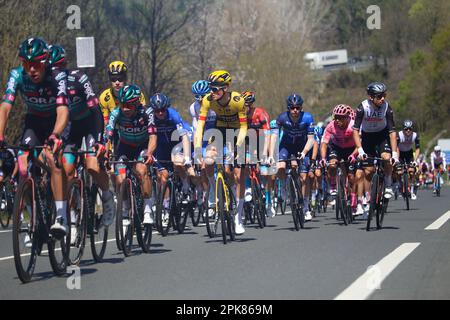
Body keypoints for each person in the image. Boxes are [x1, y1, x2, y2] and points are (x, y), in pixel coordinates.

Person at [0, 37, 70, 238]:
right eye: (27, 64)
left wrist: (55, 135)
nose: (32, 69)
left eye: (37, 64)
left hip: (57, 121)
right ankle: (33, 219)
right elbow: (5, 107)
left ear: (45, 61)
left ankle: (60, 216)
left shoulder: (57, 76)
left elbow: (64, 111)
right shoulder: (17, 75)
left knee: (53, 160)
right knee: (23, 161)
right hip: (34, 121)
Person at [48, 45, 115, 230]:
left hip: (89, 124)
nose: (56, 72)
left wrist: (100, 140)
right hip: (70, 128)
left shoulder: (79, 78)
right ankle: (71, 214)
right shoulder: (46, 84)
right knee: (67, 170)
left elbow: (95, 111)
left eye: (59, 67)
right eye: (52, 68)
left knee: (92, 166)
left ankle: (107, 197)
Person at [193, 70, 248, 235]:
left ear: (225, 88)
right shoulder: (207, 100)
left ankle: (238, 217)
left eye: (215, 89)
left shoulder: (238, 101)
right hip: (219, 131)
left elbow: (244, 127)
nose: (212, 92)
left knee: (237, 174)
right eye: (211, 88)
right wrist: (197, 148)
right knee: (208, 159)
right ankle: (214, 188)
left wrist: (238, 148)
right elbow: (200, 126)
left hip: (238, 132)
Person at [106, 85, 156, 225]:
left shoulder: (147, 112)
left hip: (143, 146)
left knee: (141, 171)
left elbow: (153, 136)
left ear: (136, 103)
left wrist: (150, 153)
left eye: (128, 105)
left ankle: (147, 210)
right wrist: (106, 152)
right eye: (122, 104)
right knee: (120, 179)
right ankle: (126, 208)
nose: (125, 108)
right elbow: (108, 136)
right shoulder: (116, 113)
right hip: (124, 147)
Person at [353, 82, 398, 205]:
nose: (382, 98)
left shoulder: (387, 108)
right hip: (367, 137)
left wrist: (394, 153)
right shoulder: (362, 108)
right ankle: (368, 196)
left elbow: (392, 132)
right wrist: (360, 150)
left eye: (384, 95)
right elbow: (355, 130)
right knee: (368, 171)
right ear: (371, 97)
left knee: (386, 158)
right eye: (379, 96)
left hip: (382, 136)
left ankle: (388, 184)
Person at [273, 93, 315, 221]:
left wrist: (304, 152)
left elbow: (311, 139)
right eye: (292, 108)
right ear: (288, 108)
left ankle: (306, 207)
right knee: (280, 166)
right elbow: (274, 136)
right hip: (286, 145)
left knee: (304, 177)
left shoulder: (307, 118)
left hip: (303, 146)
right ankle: (284, 187)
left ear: (301, 108)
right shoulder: (282, 117)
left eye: (297, 108)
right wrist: (270, 153)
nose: (295, 110)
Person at [320, 105, 363, 216]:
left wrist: (354, 155)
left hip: (352, 149)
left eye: (341, 117)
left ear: (347, 117)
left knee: (351, 177)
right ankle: (333, 185)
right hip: (337, 148)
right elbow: (324, 143)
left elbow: (360, 143)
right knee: (332, 165)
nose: (337, 120)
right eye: (336, 117)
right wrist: (323, 158)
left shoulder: (353, 125)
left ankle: (354, 199)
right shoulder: (331, 126)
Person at [242, 91, 274, 216]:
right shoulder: (240, 116)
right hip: (248, 143)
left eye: (248, 105)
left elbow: (267, 135)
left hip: (262, 141)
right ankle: (248, 187)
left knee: (265, 173)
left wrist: (265, 154)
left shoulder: (260, 114)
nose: (246, 108)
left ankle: (269, 200)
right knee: (244, 162)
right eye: (244, 105)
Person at [395, 119, 421, 200]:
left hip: (409, 153)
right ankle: (400, 184)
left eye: (410, 129)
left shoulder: (415, 135)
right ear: (403, 129)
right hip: (400, 153)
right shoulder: (399, 135)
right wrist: (397, 159)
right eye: (406, 129)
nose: (408, 130)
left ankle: (411, 189)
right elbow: (396, 147)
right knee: (399, 172)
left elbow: (417, 149)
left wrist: (415, 160)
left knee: (411, 171)